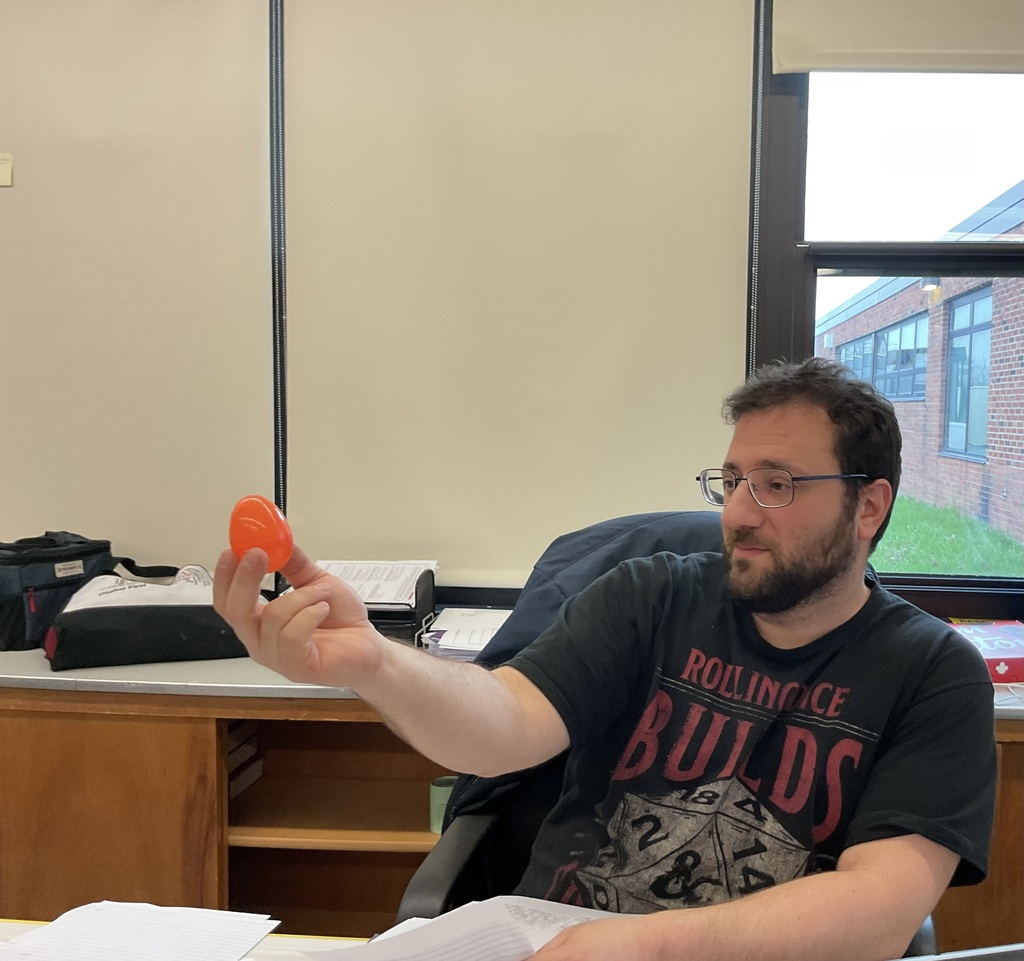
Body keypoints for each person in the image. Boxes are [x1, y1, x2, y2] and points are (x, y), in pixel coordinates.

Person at [214, 358, 996, 961]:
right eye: (731, 480)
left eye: (778, 484)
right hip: (556, 938)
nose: (737, 512)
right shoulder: (649, 595)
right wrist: (373, 664)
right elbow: (506, 723)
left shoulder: (934, 673)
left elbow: (882, 908)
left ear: (869, 506)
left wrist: (645, 943)